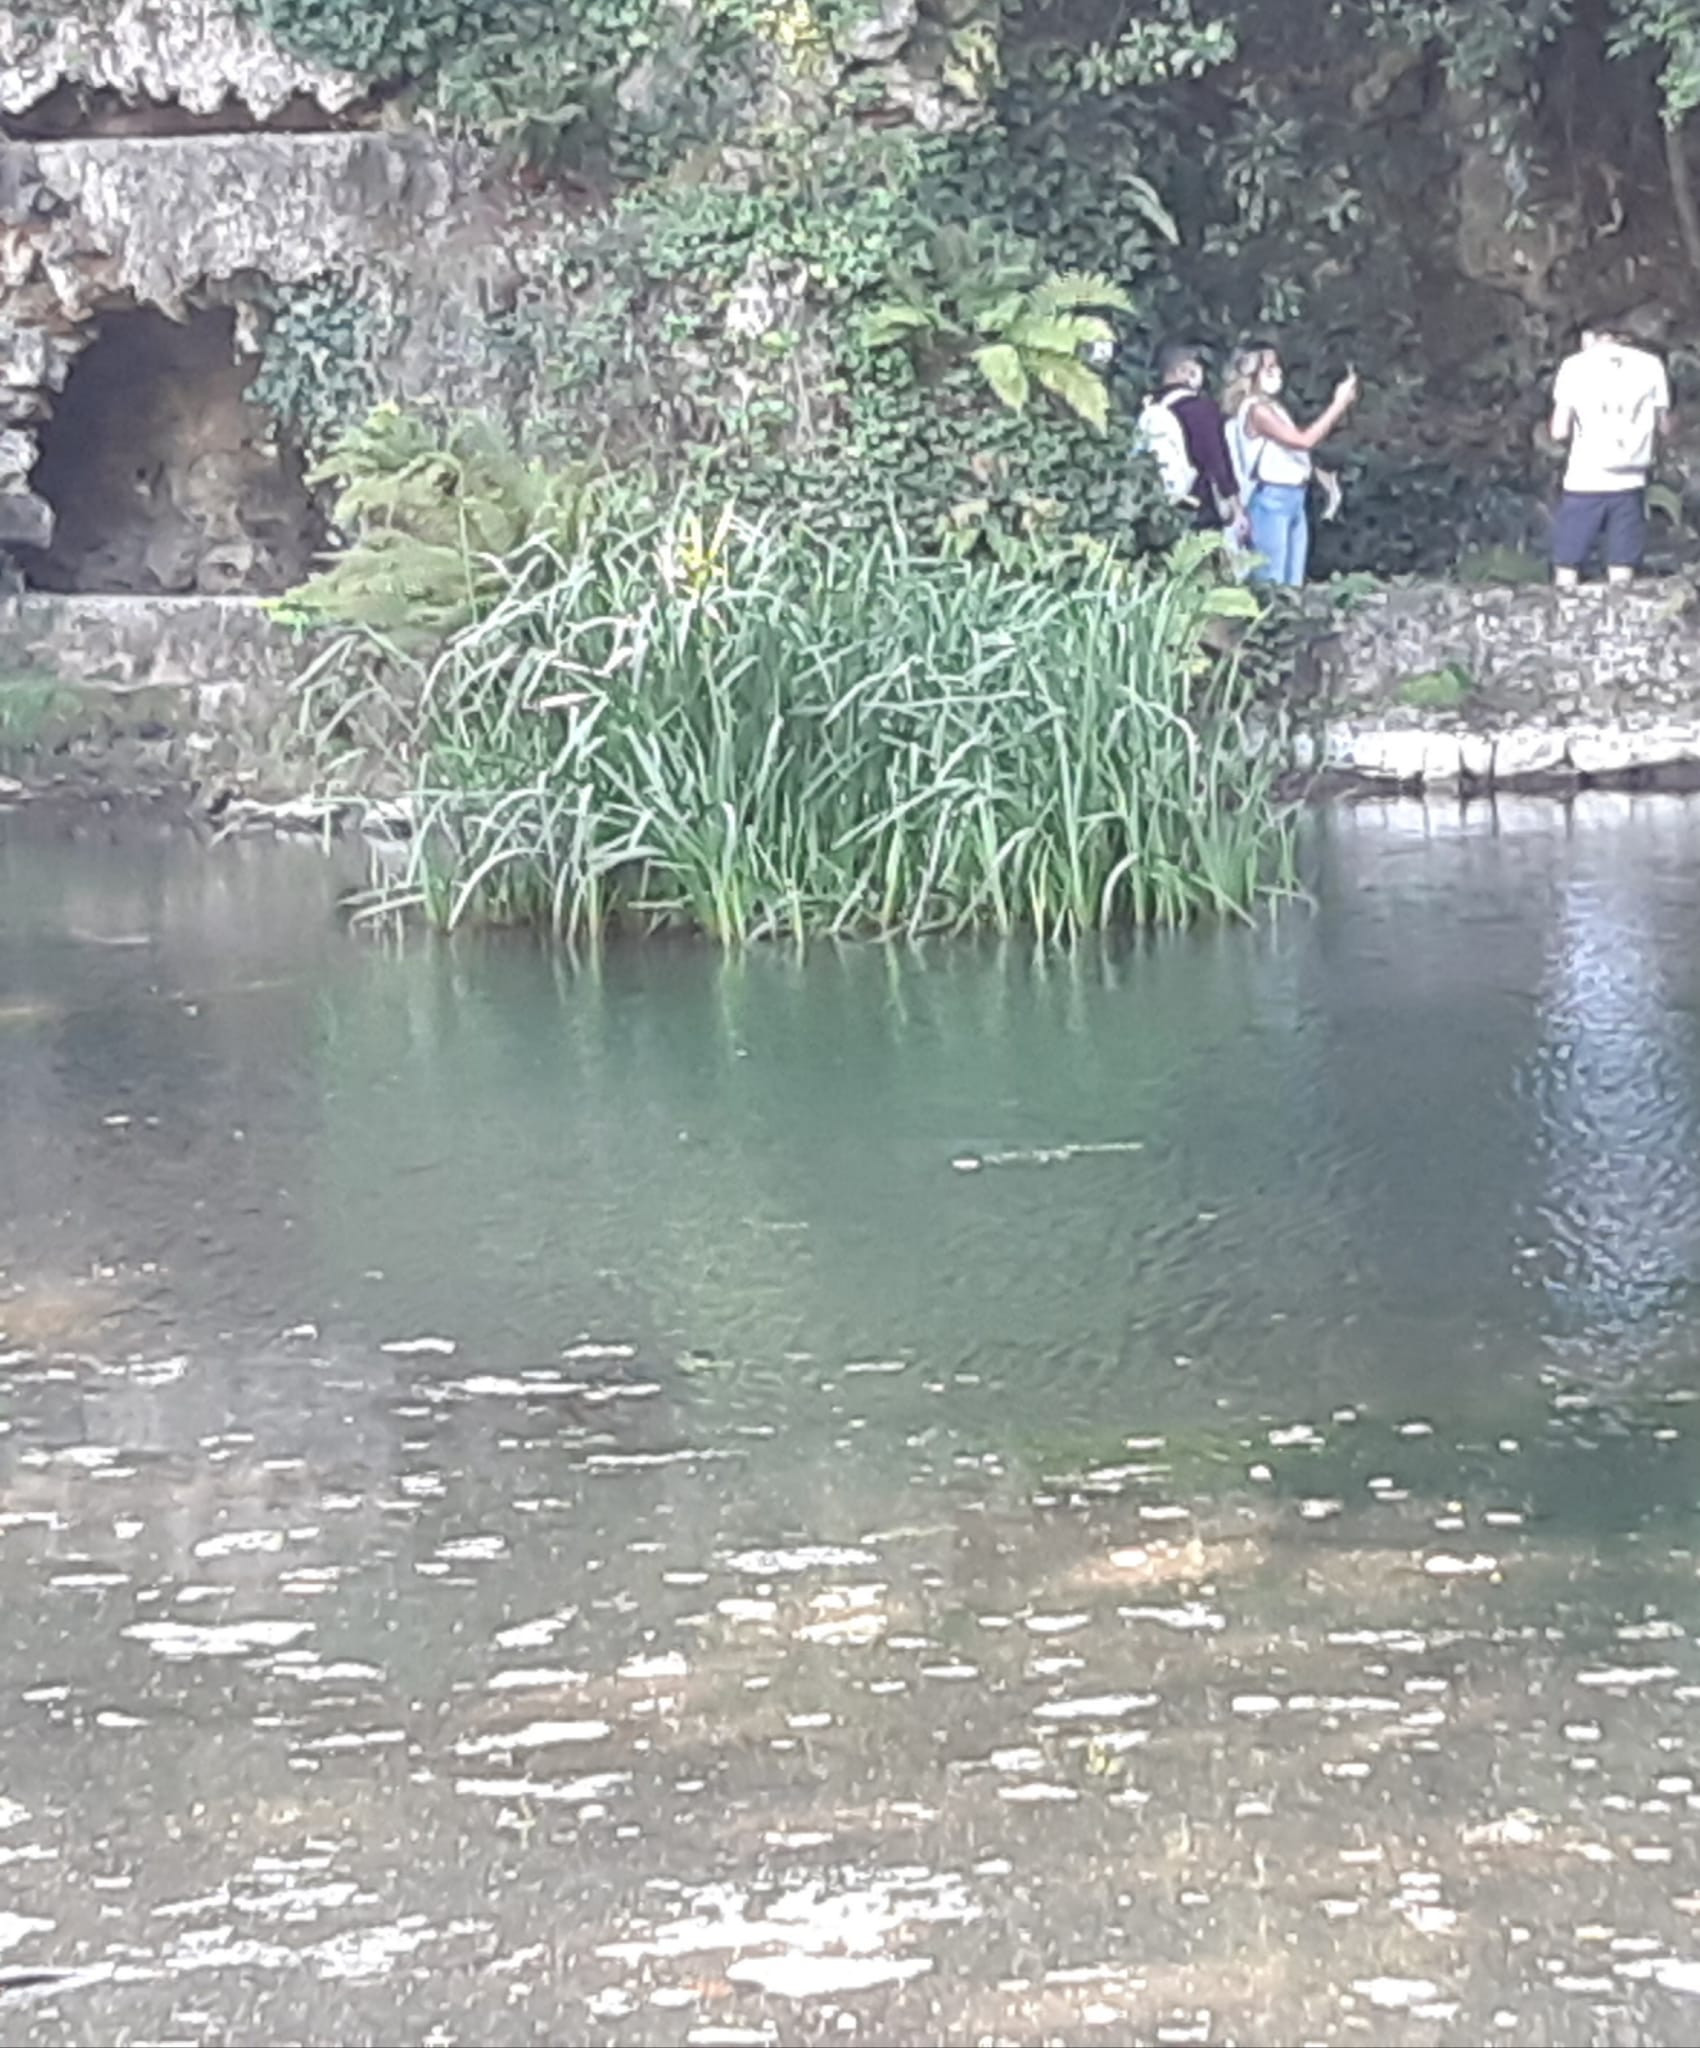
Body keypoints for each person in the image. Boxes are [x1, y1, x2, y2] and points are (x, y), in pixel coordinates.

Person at [1548, 318, 1671, 588]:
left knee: (1568, 565)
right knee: (1622, 568)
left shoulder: (1574, 366)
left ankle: (1565, 622)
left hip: (1585, 478)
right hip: (1632, 479)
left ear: (1591, 334)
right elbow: (1664, 426)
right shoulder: (1651, 365)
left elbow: (1558, 430)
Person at [1223, 345, 1359, 587]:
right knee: (1271, 581)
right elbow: (1302, 441)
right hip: (1271, 500)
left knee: (1293, 582)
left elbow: (1286, 455)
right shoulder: (1257, 410)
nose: (1277, 373)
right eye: (1269, 368)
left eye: (1277, 366)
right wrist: (1338, 405)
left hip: (1294, 496)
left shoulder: (1273, 407)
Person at [1138, 342, 1244, 535]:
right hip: (1197, 505)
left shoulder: (1148, 407)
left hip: (1154, 505)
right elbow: (1216, 458)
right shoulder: (1200, 409)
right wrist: (1235, 505)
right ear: (1183, 371)